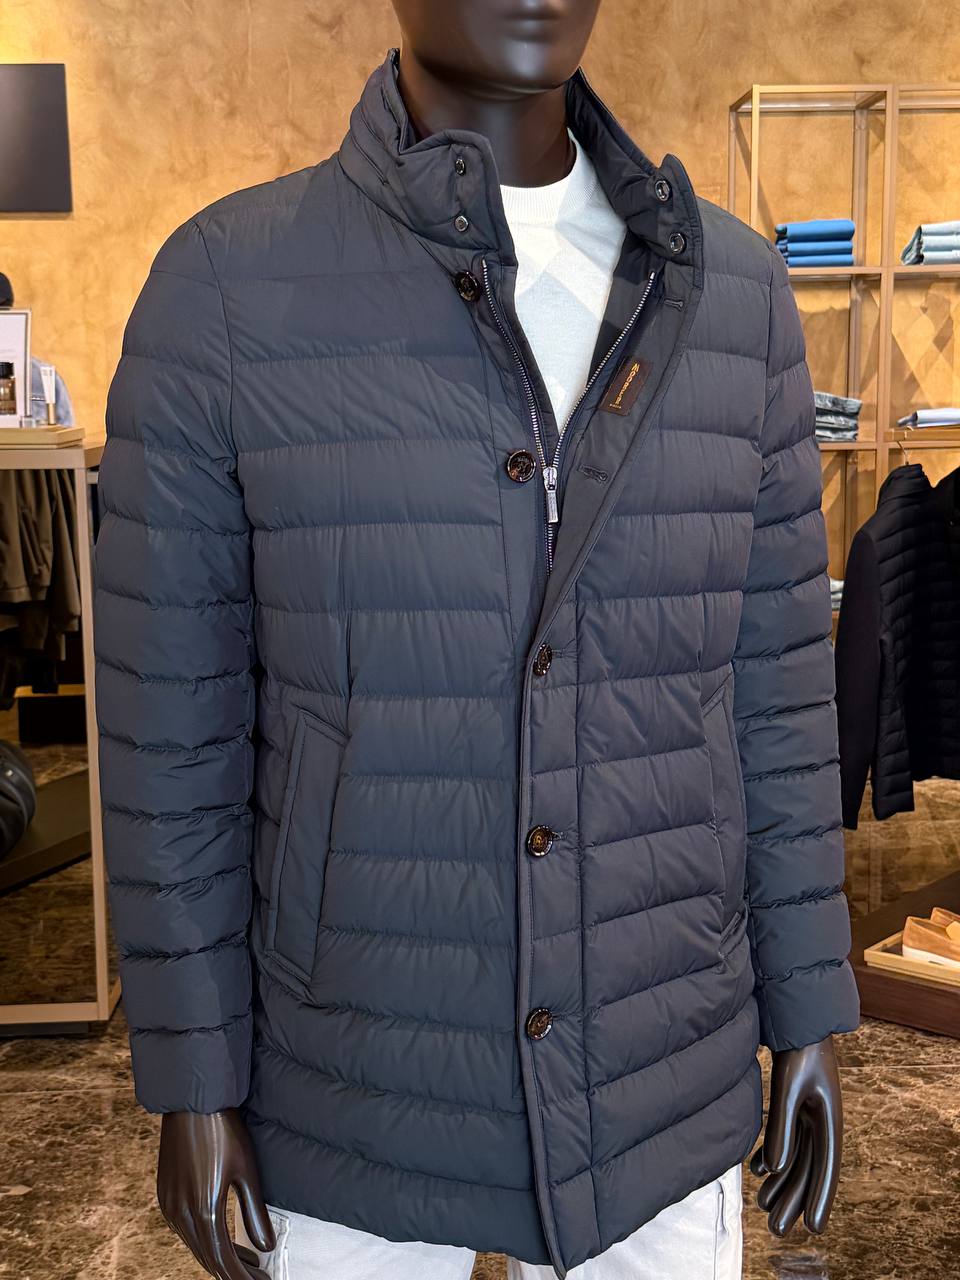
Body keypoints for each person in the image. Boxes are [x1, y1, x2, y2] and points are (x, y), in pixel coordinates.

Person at [93, 7, 860, 1279]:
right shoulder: (225, 290)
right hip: (352, 1089)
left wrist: (811, 1007)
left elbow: (775, 700)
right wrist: (193, 1072)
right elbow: (172, 737)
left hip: (660, 1066)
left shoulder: (733, 295)